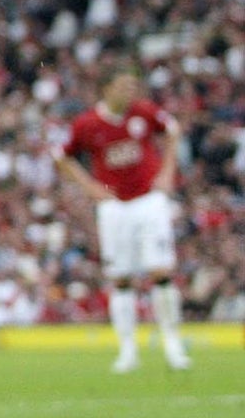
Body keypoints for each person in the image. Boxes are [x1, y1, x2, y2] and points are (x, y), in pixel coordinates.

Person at [55, 70, 191, 372]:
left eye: (132, 85)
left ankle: (172, 342)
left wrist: (167, 171)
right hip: (115, 206)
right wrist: (90, 188)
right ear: (107, 89)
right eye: (123, 86)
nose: (130, 91)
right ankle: (128, 349)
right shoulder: (87, 124)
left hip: (148, 201)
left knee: (160, 270)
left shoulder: (144, 112)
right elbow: (62, 156)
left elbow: (172, 130)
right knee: (121, 277)